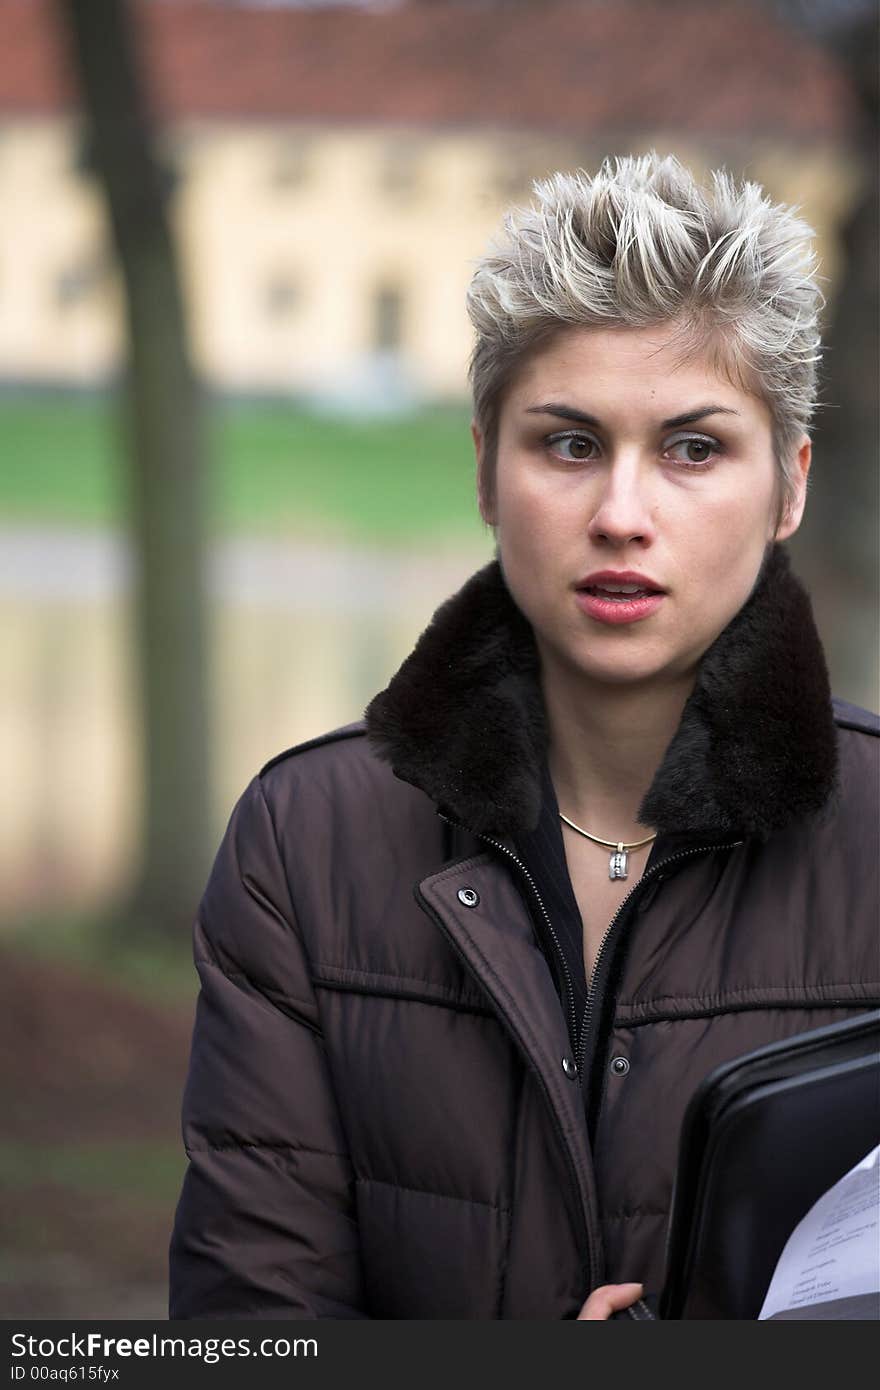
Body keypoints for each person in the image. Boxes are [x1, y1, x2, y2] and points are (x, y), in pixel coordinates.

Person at [168, 154, 879, 1320]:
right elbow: (248, 1329)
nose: (621, 514)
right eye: (568, 442)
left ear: (788, 486)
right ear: (487, 472)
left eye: (694, 449)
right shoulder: (304, 841)